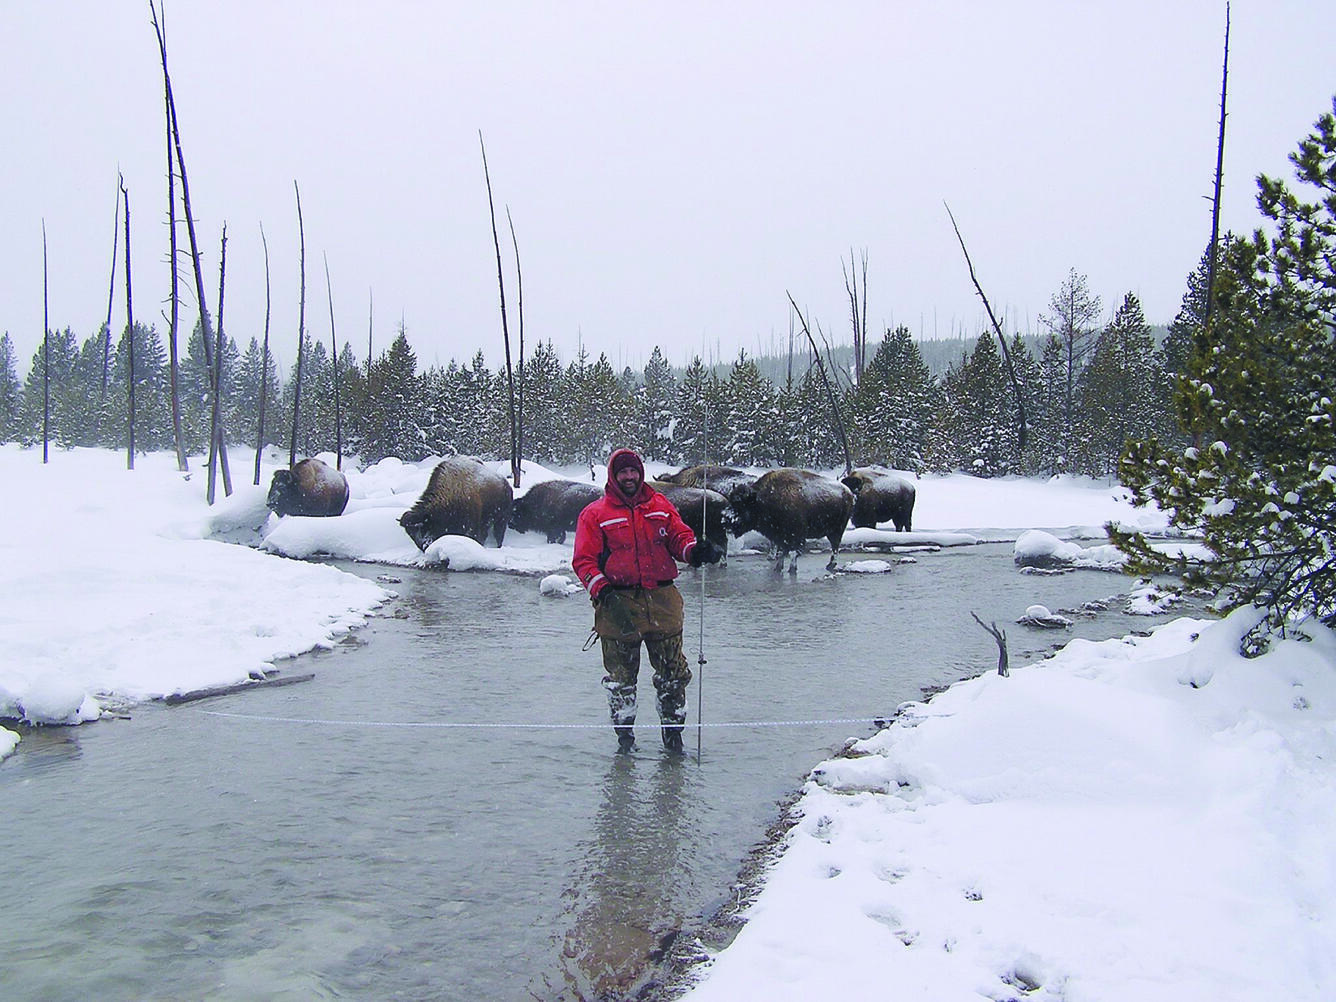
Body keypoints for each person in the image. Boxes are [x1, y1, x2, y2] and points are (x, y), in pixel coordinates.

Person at [572, 449, 724, 753]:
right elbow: (583, 561)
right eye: (622, 473)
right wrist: (600, 589)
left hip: (662, 601)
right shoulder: (595, 514)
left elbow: (679, 538)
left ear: (640, 473)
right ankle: (625, 741)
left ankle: (673, 736)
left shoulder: (660, 506)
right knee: (621, 679)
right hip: (617, 603)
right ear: (613, 477)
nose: (629, 477)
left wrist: (695, 551)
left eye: (633, 472)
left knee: (673, 674)